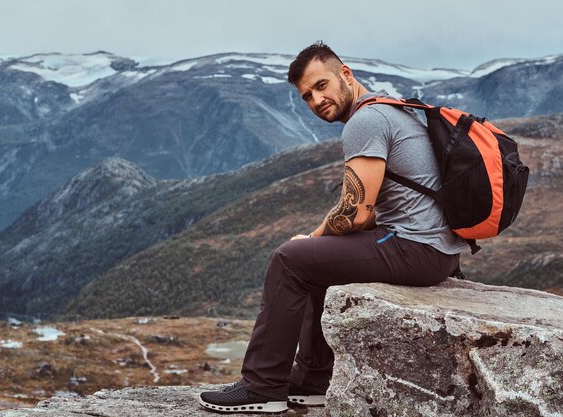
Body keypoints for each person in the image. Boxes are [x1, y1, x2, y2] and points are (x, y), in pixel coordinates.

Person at [199, 41, 467, 413]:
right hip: (438, 250)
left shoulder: (366, 121)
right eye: (307, 96)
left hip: (416, 249)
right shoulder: (393, 109)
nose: (316, 100)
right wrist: (318, 242)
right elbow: (370, 210)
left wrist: (310, 239)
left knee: (290, 259)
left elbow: (355, 213)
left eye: (321, 85)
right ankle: (311, 381)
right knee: (315, 259)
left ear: (345, 74)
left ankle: (263, 387)